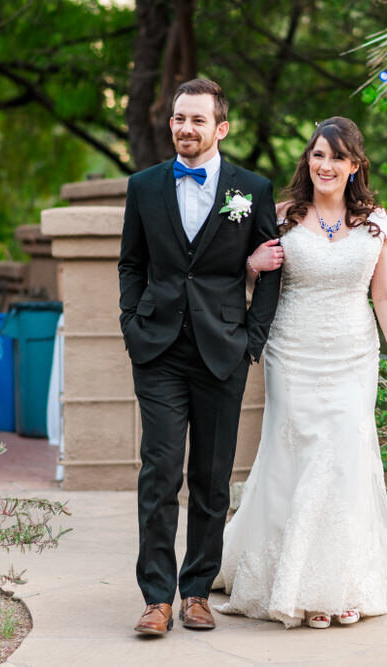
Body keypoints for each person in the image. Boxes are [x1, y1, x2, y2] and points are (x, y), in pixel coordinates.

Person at [214, 116, 387, 629]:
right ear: (309, 160)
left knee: (343, 459)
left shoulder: (375, 222)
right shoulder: (280, 216)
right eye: (318, 155)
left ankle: (338, 581)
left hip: (353, 353)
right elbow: (233, 270)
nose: (325, 165)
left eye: (337, 157)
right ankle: (288, 578)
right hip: (292, 350)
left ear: (354, 166)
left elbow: (384, 295)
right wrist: (252, 266)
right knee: (291, 456)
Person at [118, 78, 282, 635]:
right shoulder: (143, 186)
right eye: (178, 119)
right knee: (159, 473)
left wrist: (251, 342)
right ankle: (157, 598)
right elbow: (131, 263)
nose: (186, 128)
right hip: (158, 350)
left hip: (222, 351)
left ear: (221, 128)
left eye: (197, 120)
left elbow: (273, 270)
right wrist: (130, 325)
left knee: (211, 479)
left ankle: (197, 592)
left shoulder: (251, 189)